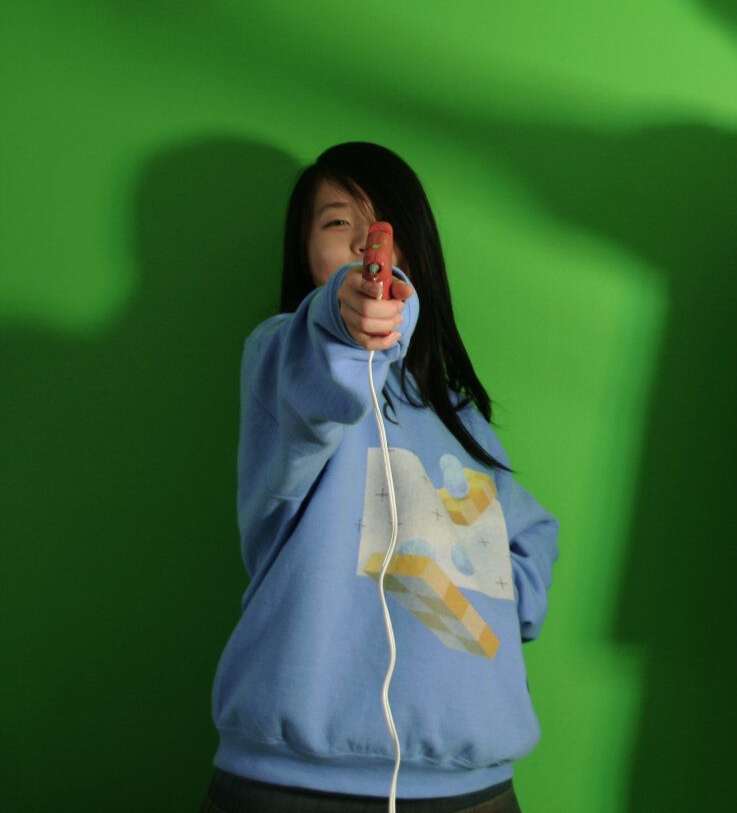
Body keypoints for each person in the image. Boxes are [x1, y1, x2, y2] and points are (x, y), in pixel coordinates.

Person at [202, 142, 559, 813]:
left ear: (416, 251)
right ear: (307, 252)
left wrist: (506, 614)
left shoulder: (458, 418)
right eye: (338, 224)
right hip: (294, 788)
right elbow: (323, 351)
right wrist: (344, 314)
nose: (370, 245)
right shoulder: (283, 361)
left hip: (473, 789)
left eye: (383, 224)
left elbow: (532, 531)